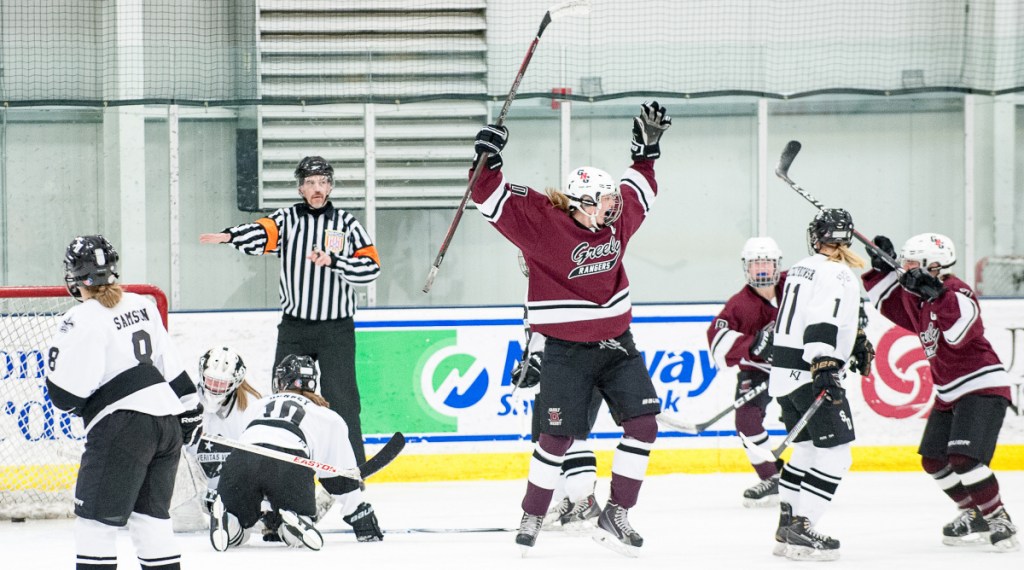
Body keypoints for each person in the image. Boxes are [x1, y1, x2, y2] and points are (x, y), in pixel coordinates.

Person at [470, 101, 672, 556]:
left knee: (643, 424)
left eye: (611, 200)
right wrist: (487, 159)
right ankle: (534, 512)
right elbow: (488, 197)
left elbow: (640, 191)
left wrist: (647, 153)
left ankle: (616, 515)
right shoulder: (544, 225)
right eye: (603, 200)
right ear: (582, 202)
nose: (612, 206)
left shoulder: (616, 224)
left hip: (618, 346)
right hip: (565, 350)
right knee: (556, 437)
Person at [199, 156, 381, 465]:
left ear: (331, 186)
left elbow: (371, 268)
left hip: (336, 329)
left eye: (323, 182)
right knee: (285, 399)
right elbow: (261, 233)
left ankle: (351, 466)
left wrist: (335, 261)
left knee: (344, 400)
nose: (317, 189)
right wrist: (231, 236)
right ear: (300, 188)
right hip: (295, 329)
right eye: (310, 183)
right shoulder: (287, 219)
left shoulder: (346, 224)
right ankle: (280, 460)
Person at [44, 235, 204, 570]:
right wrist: (191, 411)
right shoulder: (142, 305)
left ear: (74, 276)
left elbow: (65, 396)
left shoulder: (82, 317)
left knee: (95, 524)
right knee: (152, 521)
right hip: (166, 425)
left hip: (123, 427)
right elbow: (173, 371)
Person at [862, 233, 1019, 551]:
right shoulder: (915, 297)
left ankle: (998, 516)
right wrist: (882, 268)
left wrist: (938, 296)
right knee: (934, 460)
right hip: (948, 392)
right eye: (902, 262)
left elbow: (960, 333)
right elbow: (886, 302)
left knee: (964, 458)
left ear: (932, 267)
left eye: (910, 263)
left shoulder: (957, 292)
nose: (904, 268)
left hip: (982, 386)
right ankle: (973, 512)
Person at [767, 210, 874, 561]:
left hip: (785, 375)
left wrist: (856, 340)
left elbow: (826, 312)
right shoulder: (838, 272)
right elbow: (823, 317)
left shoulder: (802, 267)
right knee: (837, 454)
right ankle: (804, 526)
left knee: (808, 451)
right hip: (811, 371)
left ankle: (787, 527)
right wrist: (825, 363)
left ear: (816, 238)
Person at [209, 354, 383, 551]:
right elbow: (338, 474)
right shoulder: (327, 416)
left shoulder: (256, 406)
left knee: (239, 532)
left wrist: (267, 510)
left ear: (280, 381)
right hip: (289, 461)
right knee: (295, 534)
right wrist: (358, 513)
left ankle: (229, 521)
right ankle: (295, 524)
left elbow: (257, 463)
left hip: (242, 458)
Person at [706, 236, 787, 507]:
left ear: (777, 265)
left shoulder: (796, 287)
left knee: (806, 422)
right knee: (746, 422)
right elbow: (716, 337)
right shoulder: (740, 304)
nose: (761, 269)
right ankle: (772, 476)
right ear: (746, 268)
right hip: (758, 370)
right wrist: (753, 345)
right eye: (755, 265)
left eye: (766, 263)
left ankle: (802, 476)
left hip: (798, 369)